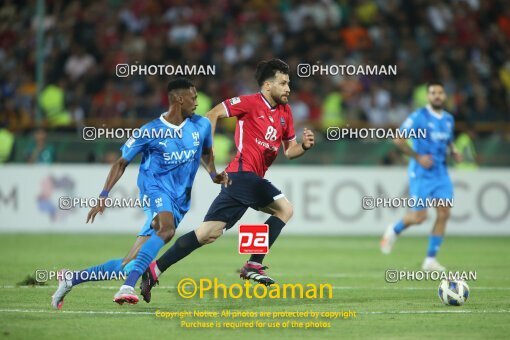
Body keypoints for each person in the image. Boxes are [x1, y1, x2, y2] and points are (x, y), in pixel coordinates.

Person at [139, 58, 315, 303]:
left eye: (289, 83)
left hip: (243, 181)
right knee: (285, 208)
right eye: (283, 83)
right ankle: (253, 264)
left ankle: (154, 270)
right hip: (242, 174)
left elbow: (290, 150)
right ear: (267, 85)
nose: (288, 88)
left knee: (208, 233)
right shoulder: (249, 102)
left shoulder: (285, 112)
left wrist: (303, 147)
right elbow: (213, 114)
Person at [51, 78, 228, 308]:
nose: (197, 102)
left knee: (129, 263)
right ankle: (127, 287)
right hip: (153, 190)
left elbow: (206, 153)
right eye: (193, 98)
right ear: (179, 99)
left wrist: (214, 175)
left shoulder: (201, 126)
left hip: (179, 200)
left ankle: (71, 279)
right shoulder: (151, 130)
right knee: (166, 229)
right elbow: (121, 163)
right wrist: (103, 196)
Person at [380, 82, 462, 271]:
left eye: (440, 92)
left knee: (444, 212)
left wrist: (455, 152)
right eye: (433, 93)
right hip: (421, 174)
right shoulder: (419, 117)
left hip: (441, 173)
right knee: (419, 217)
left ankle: (430, 260)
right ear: (428, 97)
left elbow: (449, 142)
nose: (437, 96)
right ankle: (394, 229)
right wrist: (418, 157)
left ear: (445, 96)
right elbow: (398, 138)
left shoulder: (449, 119)